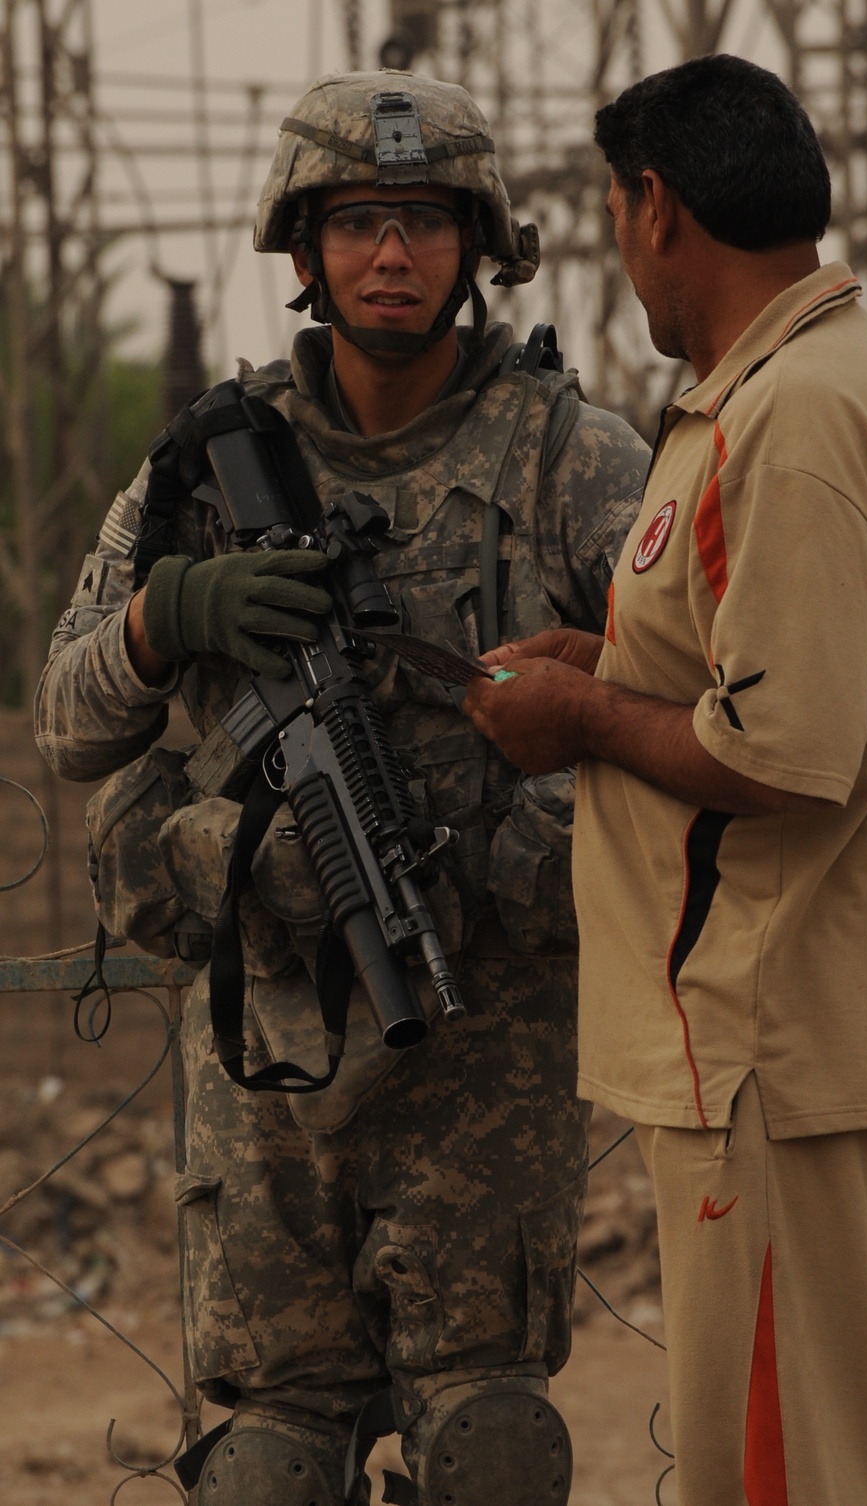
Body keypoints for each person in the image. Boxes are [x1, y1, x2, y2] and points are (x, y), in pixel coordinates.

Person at [34, 72, 649, 1506]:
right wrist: (161, 615)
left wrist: (543, 827)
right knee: (263, 1468)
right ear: (302, 249)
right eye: (359, 221)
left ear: (478, 246)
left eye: (426, 222)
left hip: (482, 1055)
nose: (391, 256)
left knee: (495, 1454)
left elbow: (689, 700)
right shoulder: (201, 464)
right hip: (269, 1076)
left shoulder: (572, 460)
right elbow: (67, 720)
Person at [465, 53, 867, 1506]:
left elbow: (787, 751)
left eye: (615, 212)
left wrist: (577, 713)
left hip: (771, 1049)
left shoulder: (789, 419)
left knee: (782, 1475)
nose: (624, 252)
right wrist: (614, 656)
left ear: (656, 206)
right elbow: (772, 664)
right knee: (862, 1464)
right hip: (850, 1034)